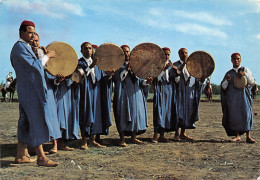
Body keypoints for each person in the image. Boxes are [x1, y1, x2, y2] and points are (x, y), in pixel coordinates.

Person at [10, 20, 61, 167]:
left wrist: (40, 53)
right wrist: (47, 56)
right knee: (35, 120)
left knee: (25, 123)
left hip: (28, 91)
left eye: (34, 32)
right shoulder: (19, 48)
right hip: (30, 92)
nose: (33, 35)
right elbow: (34, 68)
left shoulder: (24, 47)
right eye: (30, 32)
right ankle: (41, 158)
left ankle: (21, 155)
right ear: (22, 32)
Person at [112, 45, 151, 147]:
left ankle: (134, 137)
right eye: (124, 52)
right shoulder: (117, 66)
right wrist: (126, 69)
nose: (126, 53)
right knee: (122, 114)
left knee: (135, 115)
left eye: (128, 52)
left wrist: (147, 82)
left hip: (136, 94)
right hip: (123, 94)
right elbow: (117, 79)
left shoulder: (137, 66)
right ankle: (122, 139)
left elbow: (141, 81)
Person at [78, 42, 113, 149]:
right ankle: (84, 141)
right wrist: (90, 67)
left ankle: (92, 140)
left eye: (90, 48)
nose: (88, 50)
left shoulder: (98, 64)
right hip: (86, 92)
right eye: (85, 48)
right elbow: (79, 76)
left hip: (96, 91)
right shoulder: (79, 63)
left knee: (96, 115)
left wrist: (109, 76)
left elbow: (102, 78)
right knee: (85, 114)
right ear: (81, 51)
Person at [221, 53, 256, 143]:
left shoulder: (245, 70)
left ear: (240, 59)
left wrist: (245, 75)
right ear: (231, 60)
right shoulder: (229, 73)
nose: (236, 60)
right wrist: (227, 80)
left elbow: (252, 82)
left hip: (244, 97)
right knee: (234, 115)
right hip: (233, 98)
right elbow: (223, 87)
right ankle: (237, 135)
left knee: (246, 114)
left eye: (238, 59)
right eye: (234, 59)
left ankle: (248, 136)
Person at [173, 48, 204, 141]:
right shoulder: (175, 65)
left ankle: (183, 133)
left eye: (186, 53)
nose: (184, 55)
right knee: (178, 112)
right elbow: (175, 78)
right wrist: (183, 64)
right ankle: (176, 134)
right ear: (179, 54)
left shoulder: (193, 66)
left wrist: (201, 80)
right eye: (182, 53)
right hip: (179, 92)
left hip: (190, 92)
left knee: (188, 112)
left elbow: (197, 80)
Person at [151, 47, 179, 143]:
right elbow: (156, 78)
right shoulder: (156, 65)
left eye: (168, 54)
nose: (166, 56)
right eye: (164, 54)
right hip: (160, 90)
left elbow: (177, 81)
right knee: (159, 112)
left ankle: (162, 135)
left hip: (170, 90)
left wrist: (177, 74)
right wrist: (164, 69)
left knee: (167, 112)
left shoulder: (172, 66)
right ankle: (155, 135)